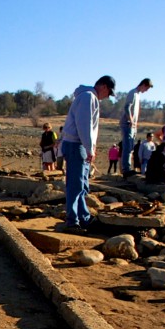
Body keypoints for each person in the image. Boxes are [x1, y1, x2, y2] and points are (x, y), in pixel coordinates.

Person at [61, 75, 116, 232]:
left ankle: (83, 217)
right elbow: (84, 125)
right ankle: (72, 221)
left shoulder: (88, 97)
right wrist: (89, 147)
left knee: (81, 183)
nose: (107, 97)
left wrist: (90, 147)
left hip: (78, 145)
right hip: (75, 145)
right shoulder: (88, 97)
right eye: (109, 92)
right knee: (75, 184)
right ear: (104, 86)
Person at [119, 78, 153, 176]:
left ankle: (128, 168)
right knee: (127, 146)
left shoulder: (137, 95)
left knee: (130, 147)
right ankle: (126, 169)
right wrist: (130, 119)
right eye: (146, 88)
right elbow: (127, 107)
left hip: (133, 125)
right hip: (127, 124)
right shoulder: (133, 93)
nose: (146, 91)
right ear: (144, 85)